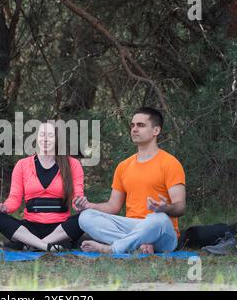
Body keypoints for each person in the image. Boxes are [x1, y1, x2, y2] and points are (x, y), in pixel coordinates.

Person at [75, 107, 186, 254]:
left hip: (161, 231)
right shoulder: (123, 166)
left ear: (156, 131)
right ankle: (137, 245)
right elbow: (113, 206)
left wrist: (165, 208)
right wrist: (91, 205)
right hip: (133, 227)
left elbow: (181, 207)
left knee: (158, 218)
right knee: (85, 217)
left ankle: (112, 248)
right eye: (132, 125)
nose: (134, 129)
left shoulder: (170, 163)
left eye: (141, 125)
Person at [0, 122, 84, 251]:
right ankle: (46, 246)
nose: (45, 139)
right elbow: (14, 198)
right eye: (42, 135)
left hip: (60, 228)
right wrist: (5, 207)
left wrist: (80, 204)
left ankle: (33, 245)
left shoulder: (73, 164)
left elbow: (77, 196)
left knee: (84, 219)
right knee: (0, 219)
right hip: (31, 227)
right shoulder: (22, 165)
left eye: (50, 135)